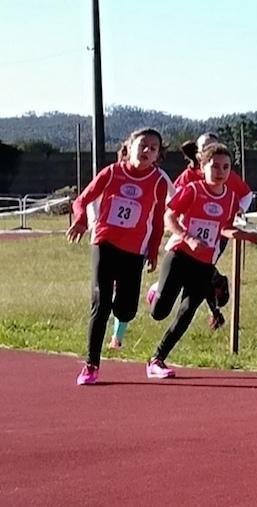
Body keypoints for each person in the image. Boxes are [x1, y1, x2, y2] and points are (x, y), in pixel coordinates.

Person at [67, 128, 171, 385]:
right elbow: (81, 200)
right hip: (104, 242)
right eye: (142, 145)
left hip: (134, 251)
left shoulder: (158, 181)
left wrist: (154, 249)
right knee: (100, 303)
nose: (147, 150)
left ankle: (122, 304)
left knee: (126, 309)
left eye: (153, 148)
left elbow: (157, 219)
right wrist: (80, 220)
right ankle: (91, 365)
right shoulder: (112, 172)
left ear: (158, 155)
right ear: (129, 146)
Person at [147, 143, 257, 378]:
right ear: (202, 166)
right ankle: (155, 293)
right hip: (179, 254)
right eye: (215, 166)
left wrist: (244, 235)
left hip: (204, 263)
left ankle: (157, 359)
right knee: (159, 312)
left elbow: (225, 228)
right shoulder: (193, 190)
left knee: (187, 311)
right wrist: (187, 237)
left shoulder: (231, 199)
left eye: (226, 167)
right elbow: (169, 216)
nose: (220, 171)